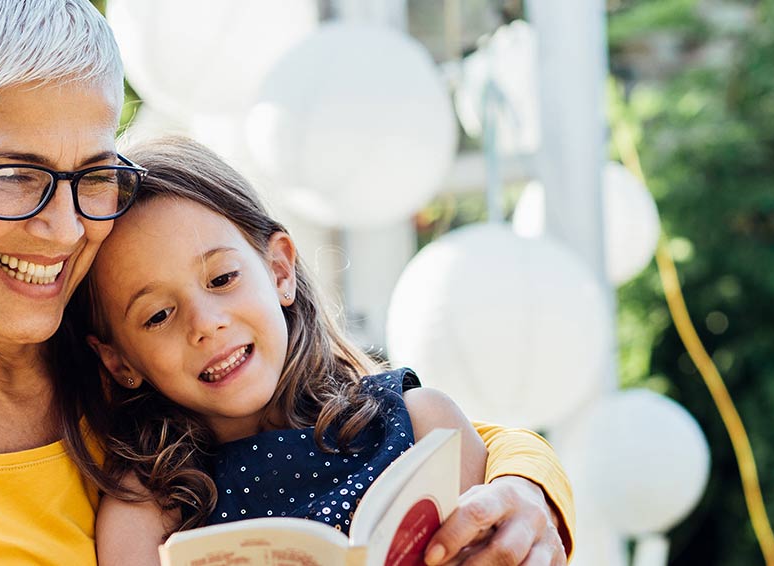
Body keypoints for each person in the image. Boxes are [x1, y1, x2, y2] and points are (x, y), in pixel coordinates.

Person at [0, 2, 570, 564]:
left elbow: (444, 436)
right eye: (13, 175)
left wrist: (528, 493)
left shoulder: (139, 362)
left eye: (90, 173)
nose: (65, 227)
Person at [55, 136, 491, 564]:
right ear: (119, 362)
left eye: (222, 279)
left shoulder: (424, 425)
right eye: (158, 315)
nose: (206, 324)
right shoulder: (145, 515)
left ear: (279, 270)